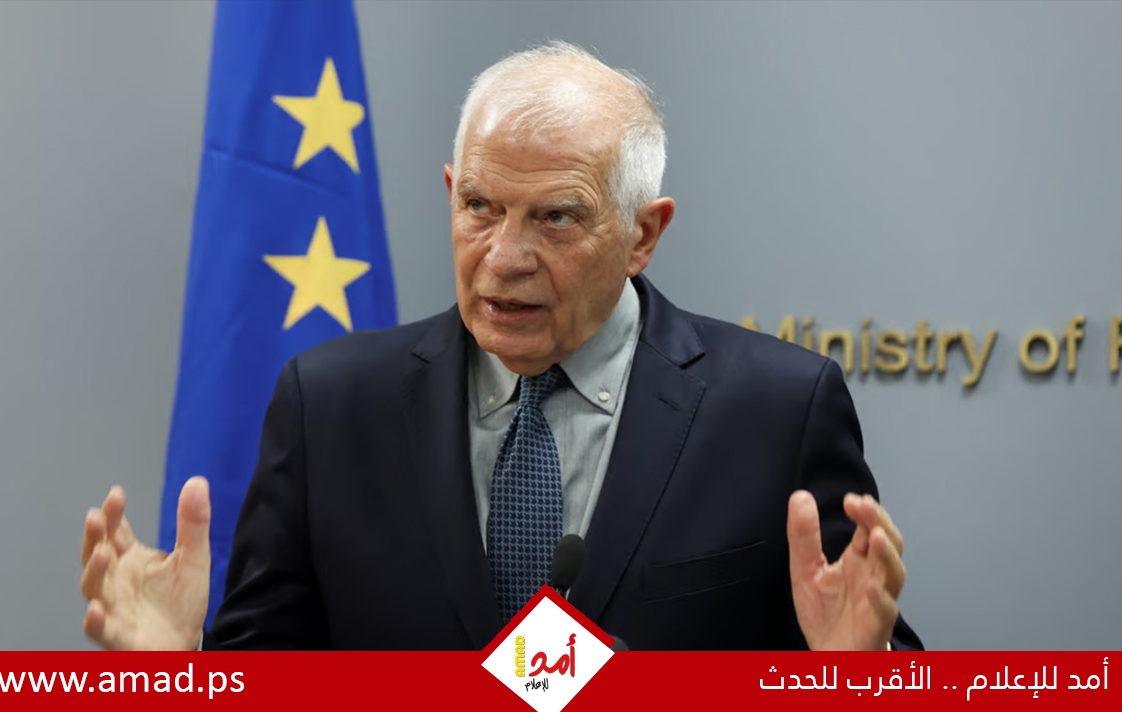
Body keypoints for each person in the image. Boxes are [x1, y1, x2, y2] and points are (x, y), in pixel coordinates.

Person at [80, 42, 921, 652]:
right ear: (451, 192)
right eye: (480, 207)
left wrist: (857, 675)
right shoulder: (330, 407)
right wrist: (172, 673)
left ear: (642, 235)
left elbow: (865, 641)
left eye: (556, 217)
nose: (504, 257)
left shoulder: (776, 412)